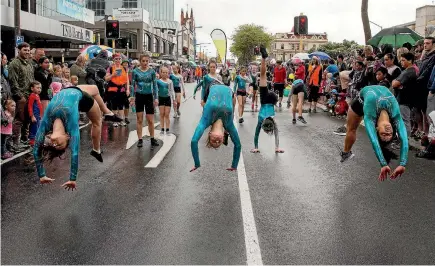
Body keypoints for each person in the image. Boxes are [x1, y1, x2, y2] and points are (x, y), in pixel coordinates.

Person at [33, 85, 122, 191]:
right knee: (97, 121)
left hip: (67, 89)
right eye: (60, 145)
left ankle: (107, 112)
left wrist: (42, 175)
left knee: (95, 89)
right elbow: (74, 153)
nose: (54, 144)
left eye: (53, 146)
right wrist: (72, 179)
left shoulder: (46, 123)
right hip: (83, 99)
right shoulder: (71, 126)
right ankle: (96, 149)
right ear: (67, 137)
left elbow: (36, 151)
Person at [340, 85, 408, 181]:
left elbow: (374, 141)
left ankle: (346, 152)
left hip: (360, 103)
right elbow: (404, 139)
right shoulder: (395, 114)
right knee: (351, 129)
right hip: (374, 94)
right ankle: (347, 153)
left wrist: (383, 164)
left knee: (351, 129)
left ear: (376, 129)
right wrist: (402, 164)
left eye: (384, 134)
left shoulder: (370, 118)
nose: (388, 132)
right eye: (389, 134)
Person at [190, 83, 241, 172]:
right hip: (228, 90)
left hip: (211, 86)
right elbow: (238, 145)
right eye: (219, 142)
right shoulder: (229, 124)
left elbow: (194, 141)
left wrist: (197, 163)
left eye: (214, 141)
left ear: (209, 134)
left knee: (205, 85)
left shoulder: (205, 121)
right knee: (232, 104)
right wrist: (234, 165)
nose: (217, 140)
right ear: (222, 138)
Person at [251, 46, 284, 154]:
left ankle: (264, 57)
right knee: (263, 75)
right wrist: (276, 148)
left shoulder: (270, 120)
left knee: (263, 76)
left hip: (272, 99)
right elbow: (258, 134)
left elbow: (258, 134)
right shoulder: (262, 120)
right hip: (265, 99)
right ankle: (263, 58)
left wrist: (256, 147)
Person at [130, 54, 159, 149]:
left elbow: (155, 85)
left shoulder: (152, 72)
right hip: (139, 96)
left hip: (149, 96)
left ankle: (152, 138)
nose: (145, 63)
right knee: (139, 119)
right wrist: (132, 97)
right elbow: (132, 85)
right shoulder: (135, 71)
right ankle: (140, 139)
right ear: (140, 61)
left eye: (147, 61)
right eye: (143, 61)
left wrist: (156, 98)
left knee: (150, 120)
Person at [105, 53, 130, 127]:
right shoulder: (110, 68)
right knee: (114, 106)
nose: (118, 60)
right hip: (113, 89)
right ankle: (115, 121)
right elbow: (106, 79)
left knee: (121, 106)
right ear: (113, 60)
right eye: (116, 59)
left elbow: (127, 80)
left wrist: (127, 89)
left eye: (119, 59)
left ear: (121, 60)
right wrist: (113, 75)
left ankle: (121, 120)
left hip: (122, 89)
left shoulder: (124, 68)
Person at [157, 67, 176, 135]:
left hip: (167, 98)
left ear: (168, 73)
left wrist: (174, 100)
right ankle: (162, 129)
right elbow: (156, 91)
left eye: (166, 72)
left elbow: (171, 90)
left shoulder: (170, 81)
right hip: (161, 98)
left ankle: (167, 129)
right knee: (162, 114)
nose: (165, 74)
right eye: (163, 72)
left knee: (167, 114)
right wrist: (155, 99)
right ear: (160, 73)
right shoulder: (158, 81)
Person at [27, 81, 43, 146]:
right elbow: (30, 106)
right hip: (34, 115)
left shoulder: (37, 96)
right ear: (32, 88)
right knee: (34, 127)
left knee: (37, 127)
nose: (39, 89)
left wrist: (40, 115)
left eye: (40, 88)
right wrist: (32, 116)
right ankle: (32, 140)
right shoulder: (32, 96)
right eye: (37, 88)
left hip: (38, 115)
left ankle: (36, 139)